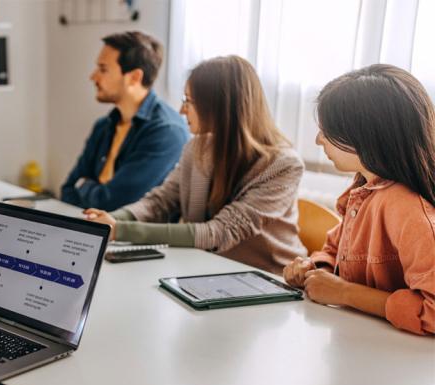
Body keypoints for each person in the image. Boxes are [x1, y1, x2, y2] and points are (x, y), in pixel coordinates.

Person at [85, 55, 307, 274]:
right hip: (206, 272)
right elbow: (161, 201)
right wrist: (110, 219)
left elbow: (218, 232)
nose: (182, 110)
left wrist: (120, 230)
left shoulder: (283, 165)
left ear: (218, 107)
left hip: (269, 280)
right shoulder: (196, 148)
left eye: (188, 101)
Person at [283, 65, 435, 335]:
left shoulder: (409, 210)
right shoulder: (365, 191)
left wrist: (345, 293)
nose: (319, 140)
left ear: (368, 135)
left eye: (328, 131)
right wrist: (315, 268)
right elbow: (335, 251)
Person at [60, 31, 189, 211]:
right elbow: (67, 191)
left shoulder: (166, 132)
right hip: (93, 231)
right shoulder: (103, 126)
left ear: (134, 77)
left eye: (103, 69)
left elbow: (115, 204)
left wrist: (84, 185)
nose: (93, 77)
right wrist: (92, 191)